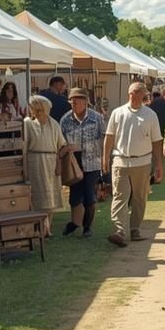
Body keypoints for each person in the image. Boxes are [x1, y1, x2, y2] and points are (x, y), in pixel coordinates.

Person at [103, 81, 164, 247]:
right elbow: (109, 137)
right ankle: (120, 230)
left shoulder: (150, 115)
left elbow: (157, 141)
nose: (134, 95)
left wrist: (159, 164)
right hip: (120, 160)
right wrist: (105, 158)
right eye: (132, 92)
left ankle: (135, 228)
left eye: (138, 92)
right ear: (128, 94)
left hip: (142, 161)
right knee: (119, 196)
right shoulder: (118, 113)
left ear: (143, 95)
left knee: (140, 196)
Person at [58, 87, 106, 238]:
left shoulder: (96, 118)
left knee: (89, 196)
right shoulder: (65, 120)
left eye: (78, 101)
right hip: (73, 163)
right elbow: (60, 142)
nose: (75, 104)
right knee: (74, 198)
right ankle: (74, 223)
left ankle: (87, 227)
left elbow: (104, 138)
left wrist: (105, 159)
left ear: (86, 102)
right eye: (72, 101)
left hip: (92, 162)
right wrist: (66, 149)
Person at [23, 94, 67, 216]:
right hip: (35, 162)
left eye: (39, 109)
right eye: (34, 109)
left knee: (51, 197)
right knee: (37, 195)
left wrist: (58, 161)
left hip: (51, 162)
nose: (36, 112)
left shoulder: (54, 124)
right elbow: (24, 145)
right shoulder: (28, 123)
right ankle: (40, 225)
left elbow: (61, 145)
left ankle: (48, 225)